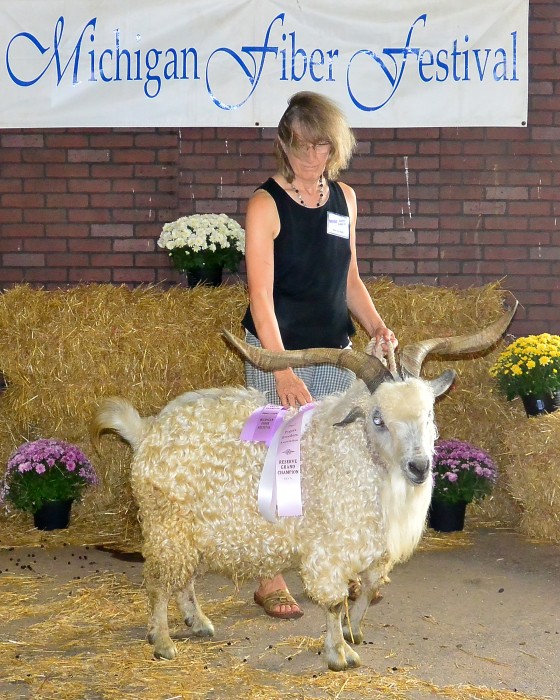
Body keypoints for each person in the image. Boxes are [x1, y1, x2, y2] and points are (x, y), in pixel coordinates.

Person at [242, 91, 397, 619]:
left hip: (335, 354)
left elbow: (349, 276)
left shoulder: (345, 199)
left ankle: (334, 565)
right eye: (306, 147)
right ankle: (269, 577)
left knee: (335, 462)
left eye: (325, 146)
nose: (316, 158)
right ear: (285, 144)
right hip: (277, 354)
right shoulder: (264, 204)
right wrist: (281, 368)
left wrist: (376, 325)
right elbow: (259, 296)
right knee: (275, 465)